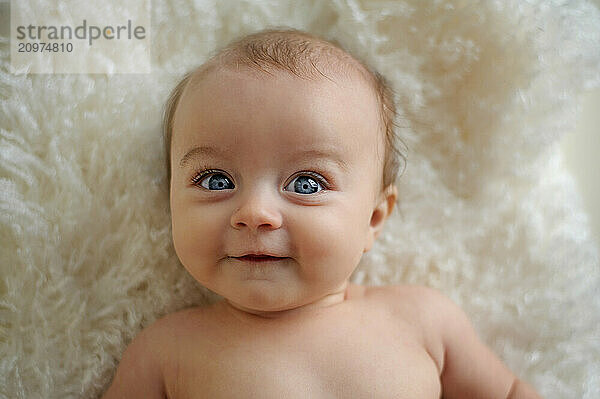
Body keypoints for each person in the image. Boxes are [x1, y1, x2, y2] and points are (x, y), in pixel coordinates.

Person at [102, 28, 542, 398]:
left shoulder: (422, 321)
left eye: (306, 184)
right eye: (216, 180)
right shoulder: (166, 352)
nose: (254, 213)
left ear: (373, 219)